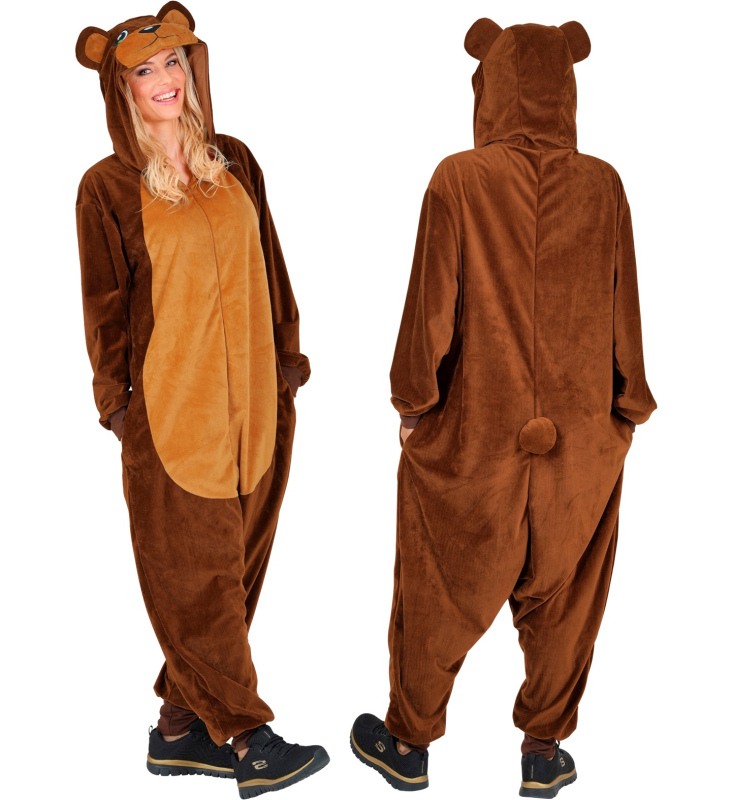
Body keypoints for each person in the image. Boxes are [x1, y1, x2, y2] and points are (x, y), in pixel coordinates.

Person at [350, 18, 656, 797]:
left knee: (438, 581)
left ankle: (408, 742)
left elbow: (429, 307)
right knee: (566, 592)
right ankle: (542, 750)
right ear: (565, 87)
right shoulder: (603, 183)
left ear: (487, 88)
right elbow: (624, 308)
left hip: (475, 427)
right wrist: (627, 406)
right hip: (581, 436)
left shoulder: (459, 178)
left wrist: (413, 402)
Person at [74, 3, 329, 796]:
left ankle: (179, 730)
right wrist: (118, 407)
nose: (164, 79)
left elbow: (273, 265)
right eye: (144, 69)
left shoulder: (235, 160)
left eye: (173, 62)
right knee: (197, 581)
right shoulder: (106, 187)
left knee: (233, 573)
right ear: (119, 87)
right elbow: (103, 308)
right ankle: (249, 739)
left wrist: (287, 361)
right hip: (171, 416)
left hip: (257, 406)